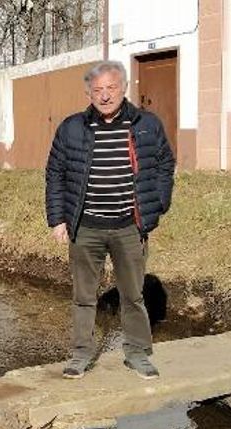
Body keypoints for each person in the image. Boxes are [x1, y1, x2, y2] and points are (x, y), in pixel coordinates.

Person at [45, 60, 176, 380]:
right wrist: (57, 219)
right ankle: (81, 354)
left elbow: (164, 165)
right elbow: (55, 174)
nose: (104, 96)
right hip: (85, 227)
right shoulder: (72, 127)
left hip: (129, 227)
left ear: (124, 88)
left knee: (132, 295)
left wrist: (157, 205)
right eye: (97, 90)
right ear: (89, 93)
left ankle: (138, 353)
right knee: (84, 296)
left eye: (111, 88)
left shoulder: (147, 124)